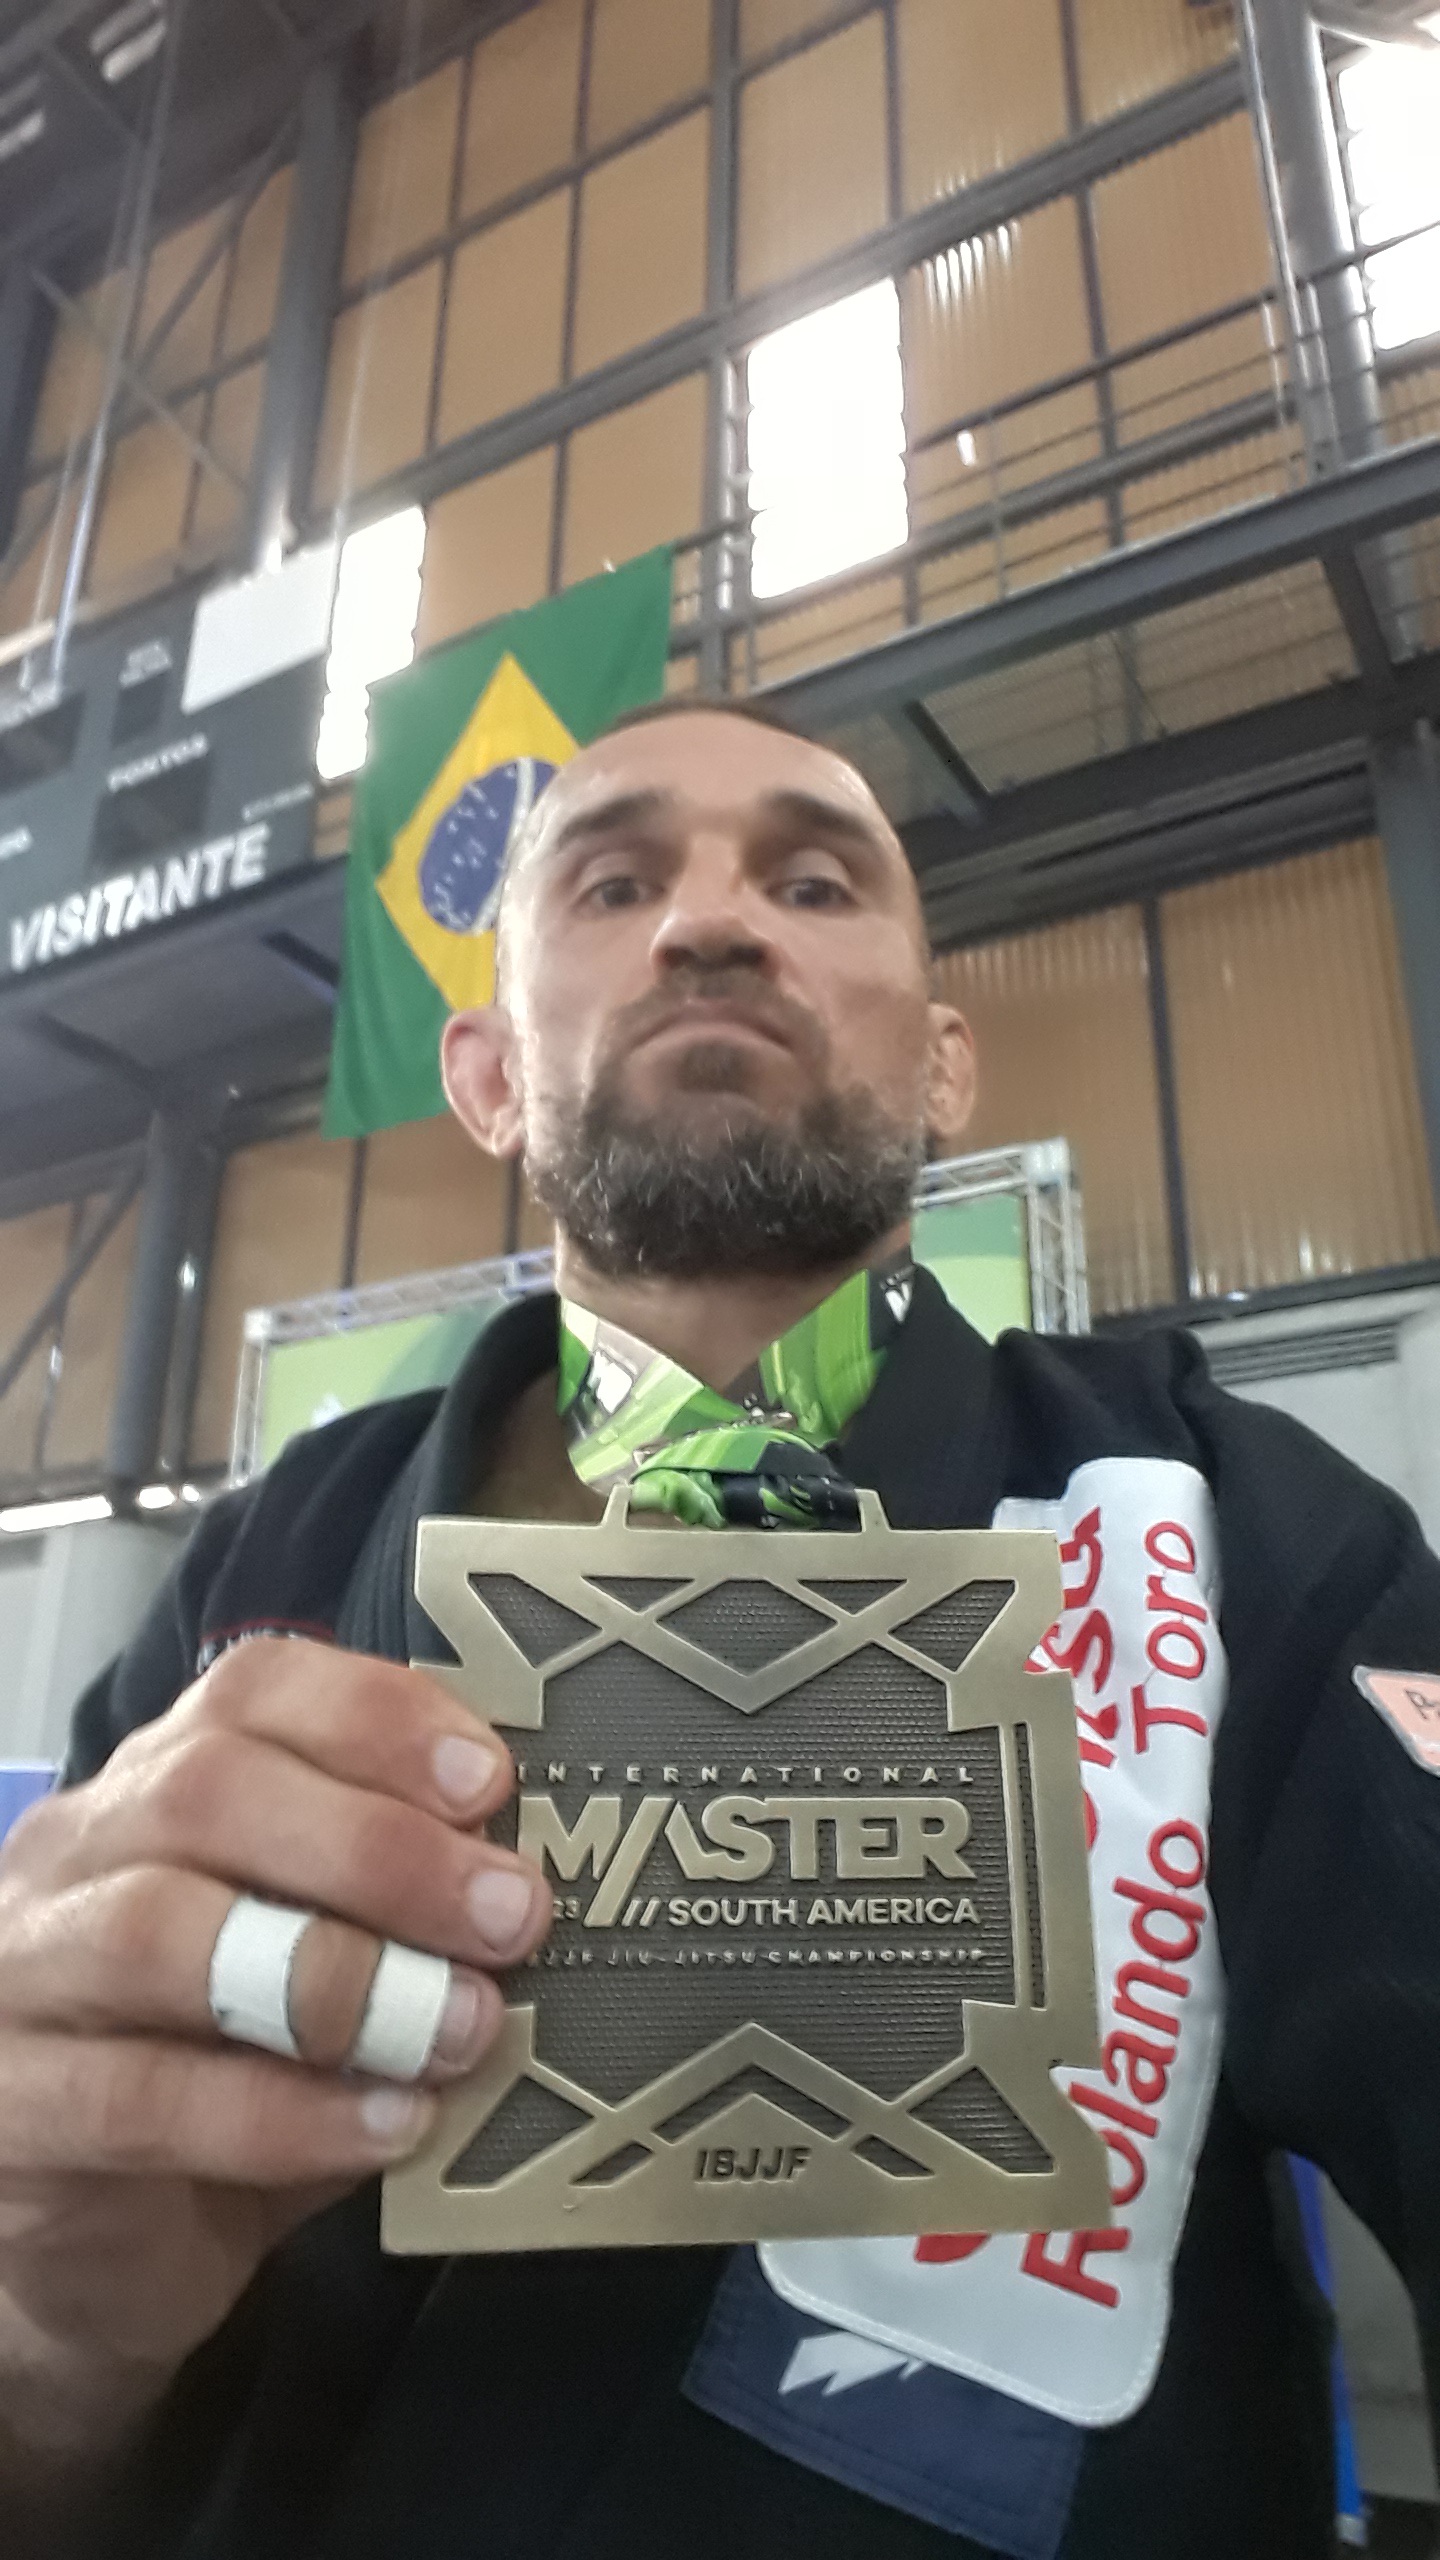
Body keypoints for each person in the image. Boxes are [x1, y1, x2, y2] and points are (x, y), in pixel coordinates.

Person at [1, 699, 1438, 2560]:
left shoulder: (1235, 1531)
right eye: (612, 884)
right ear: (489, 1076)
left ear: (942, 1066)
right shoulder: (266, 1559)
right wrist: (56, 2340)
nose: (708, 924)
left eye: (814, 882)